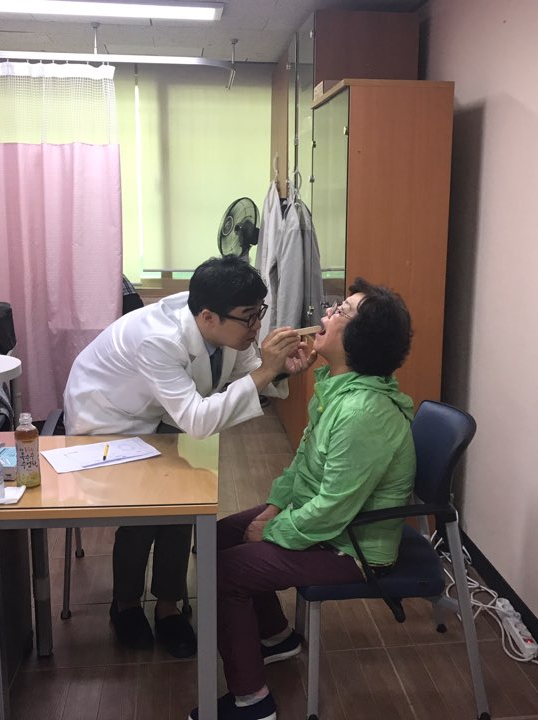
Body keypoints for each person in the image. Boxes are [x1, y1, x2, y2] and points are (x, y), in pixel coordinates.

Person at [63, 256, 317, 658]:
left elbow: (249, 370)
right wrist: (265, 372)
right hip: (108, 422)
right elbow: (198, 420)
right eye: (249, 318)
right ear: (209, 316)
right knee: (145, 510)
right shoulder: (159, 339)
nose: (256, 327)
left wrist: (280, 369)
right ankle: (125, 605)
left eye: (260, 314)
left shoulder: (219, 324)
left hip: (157, 415)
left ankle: (168, 605)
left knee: (185, 502)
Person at [188, 278, 416, 720]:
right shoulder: (338, 386)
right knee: (216, 538)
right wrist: (274, 509)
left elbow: (333, 509)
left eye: (341, 312)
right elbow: (304, 467)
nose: (326, 314)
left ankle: (252, 702)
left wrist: (271, 530)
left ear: (360, 339)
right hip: (333, 525)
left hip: (353, 546)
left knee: (226, 571)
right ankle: (277, 637)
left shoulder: (362, 412)